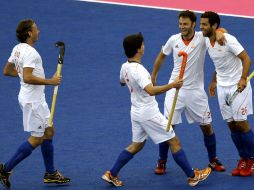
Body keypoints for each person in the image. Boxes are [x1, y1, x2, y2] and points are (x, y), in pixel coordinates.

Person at [101, 32, 211, 187]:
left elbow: (122, 82)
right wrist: (172, 85)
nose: (144, 46)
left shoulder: (124, 66)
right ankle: (193, 176)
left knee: (136, 145)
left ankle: (111, 174)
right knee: (174, 141)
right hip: (149, 113)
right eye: (143, 44)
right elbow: (151, 91)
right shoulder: (140, 71)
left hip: (136, 113)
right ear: (139, 49)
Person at [151, 10, 225, 175]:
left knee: (206, 127)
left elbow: (218, 32)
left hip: (196, 93)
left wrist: (220, 32)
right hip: (174, 89)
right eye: (180, 24)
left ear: (193, 24)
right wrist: (153, 76)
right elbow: (161, 57)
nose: (182, 27)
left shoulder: (202, 38)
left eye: (185, 24)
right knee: (168, 127)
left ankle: (213, 160)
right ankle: (162, 161)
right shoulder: (173, 39)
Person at [0, 19, 70, 188]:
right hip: (33, 102)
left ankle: (51, 174)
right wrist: (50, 81)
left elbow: (7, 71)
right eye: (36, 29)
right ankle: (5, 169)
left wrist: (26, 74)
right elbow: (28, 77)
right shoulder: (31, 53)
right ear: (29, 33)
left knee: (49, 131)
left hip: (34, 99)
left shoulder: (18, 49)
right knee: (36, 139)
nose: (39, 31)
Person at [200, 11, 254, 177]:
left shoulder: (228, 40)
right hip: (223, 87)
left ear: (213, 26)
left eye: (204, 25)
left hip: (238, 86)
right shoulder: (207, 39)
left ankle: (252, 160)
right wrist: (214, 81)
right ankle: (243, 158)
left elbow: (246, 59)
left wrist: (243, 78)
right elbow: (219, 63)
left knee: (241, 123)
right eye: (201, 24)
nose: (201, 27)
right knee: (231, 125)